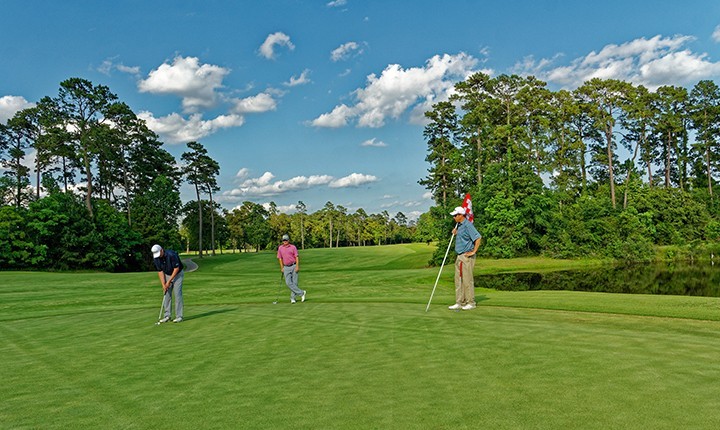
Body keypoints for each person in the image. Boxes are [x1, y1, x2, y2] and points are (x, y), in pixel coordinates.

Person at [448, 207, 482, 311]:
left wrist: (473, 251)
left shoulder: (468, 225)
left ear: (460, 215)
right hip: (459, 255)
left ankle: (470, 302)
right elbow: (464, 238)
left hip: (467, 256)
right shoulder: (459, 226)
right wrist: (456, 233)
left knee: (467, 280)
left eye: (455, 215)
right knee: (458, 280)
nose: (454, 217)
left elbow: (478, 237)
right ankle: (460, 302)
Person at [152, 244, 185, 323]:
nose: (158, 256)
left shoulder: (171, 255)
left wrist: (169, 281)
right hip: (167, 274)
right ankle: (167, 316)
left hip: (178, 274)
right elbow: (160, 271)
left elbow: (176, 269)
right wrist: (164, 284)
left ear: (161, 250)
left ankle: (179, 316)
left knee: (177, 294)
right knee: (166, 294)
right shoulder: (156, 258)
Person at [277, 234, 306, 304]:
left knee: (295, 283)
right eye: (284, 240)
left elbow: (296, 257)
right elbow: (280, 258)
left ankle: (293, 298)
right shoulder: (280, 248)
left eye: (286, 240)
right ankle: (302, 293)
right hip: (286, 267)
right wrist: (282, 267)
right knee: (288, 283)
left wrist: (297, 266)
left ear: (288, 240)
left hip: (293, 266)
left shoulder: (293, 247)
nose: (285, 241)